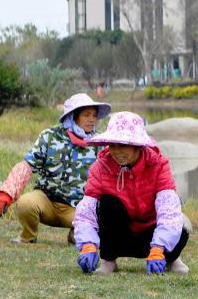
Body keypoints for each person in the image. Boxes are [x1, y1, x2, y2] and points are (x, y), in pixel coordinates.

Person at [72, 112, 189, 275]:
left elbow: (168, 208)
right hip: (121, 234)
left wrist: (158, 247)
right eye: (112, 145)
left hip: (150, 234)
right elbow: (86, 210)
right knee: (107, 203)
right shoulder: (99, 168)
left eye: (123, 145)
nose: (116, 151)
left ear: (138, 145)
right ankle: (109, 261)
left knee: (181, 231)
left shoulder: (159, 164)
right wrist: (87, 244)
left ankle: (171, 259)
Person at [0, 93, 111, 244]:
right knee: (26, 203)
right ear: (73, 117)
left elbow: (110, 177)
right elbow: (27, 165)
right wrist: (6, 194)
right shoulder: (50, 137)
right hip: (46, 201)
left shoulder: (100, 144)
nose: (92, 119)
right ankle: (28, 237)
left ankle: (77, 236)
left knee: (97, 218)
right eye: (86, 115)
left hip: (78, 208)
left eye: (94, 115)